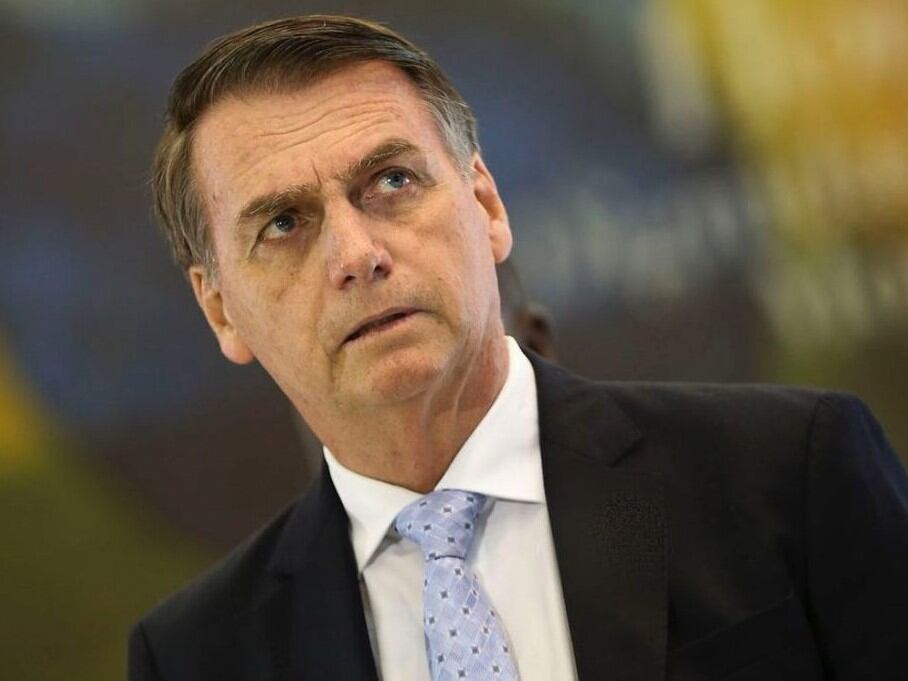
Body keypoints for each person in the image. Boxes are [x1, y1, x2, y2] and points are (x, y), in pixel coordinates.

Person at [129, 15, 908, 681]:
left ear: (488, 205)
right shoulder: (195, 656)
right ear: (221, 310)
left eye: (392, 181)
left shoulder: (788, 476)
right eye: (283, 224)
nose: (357, 254)